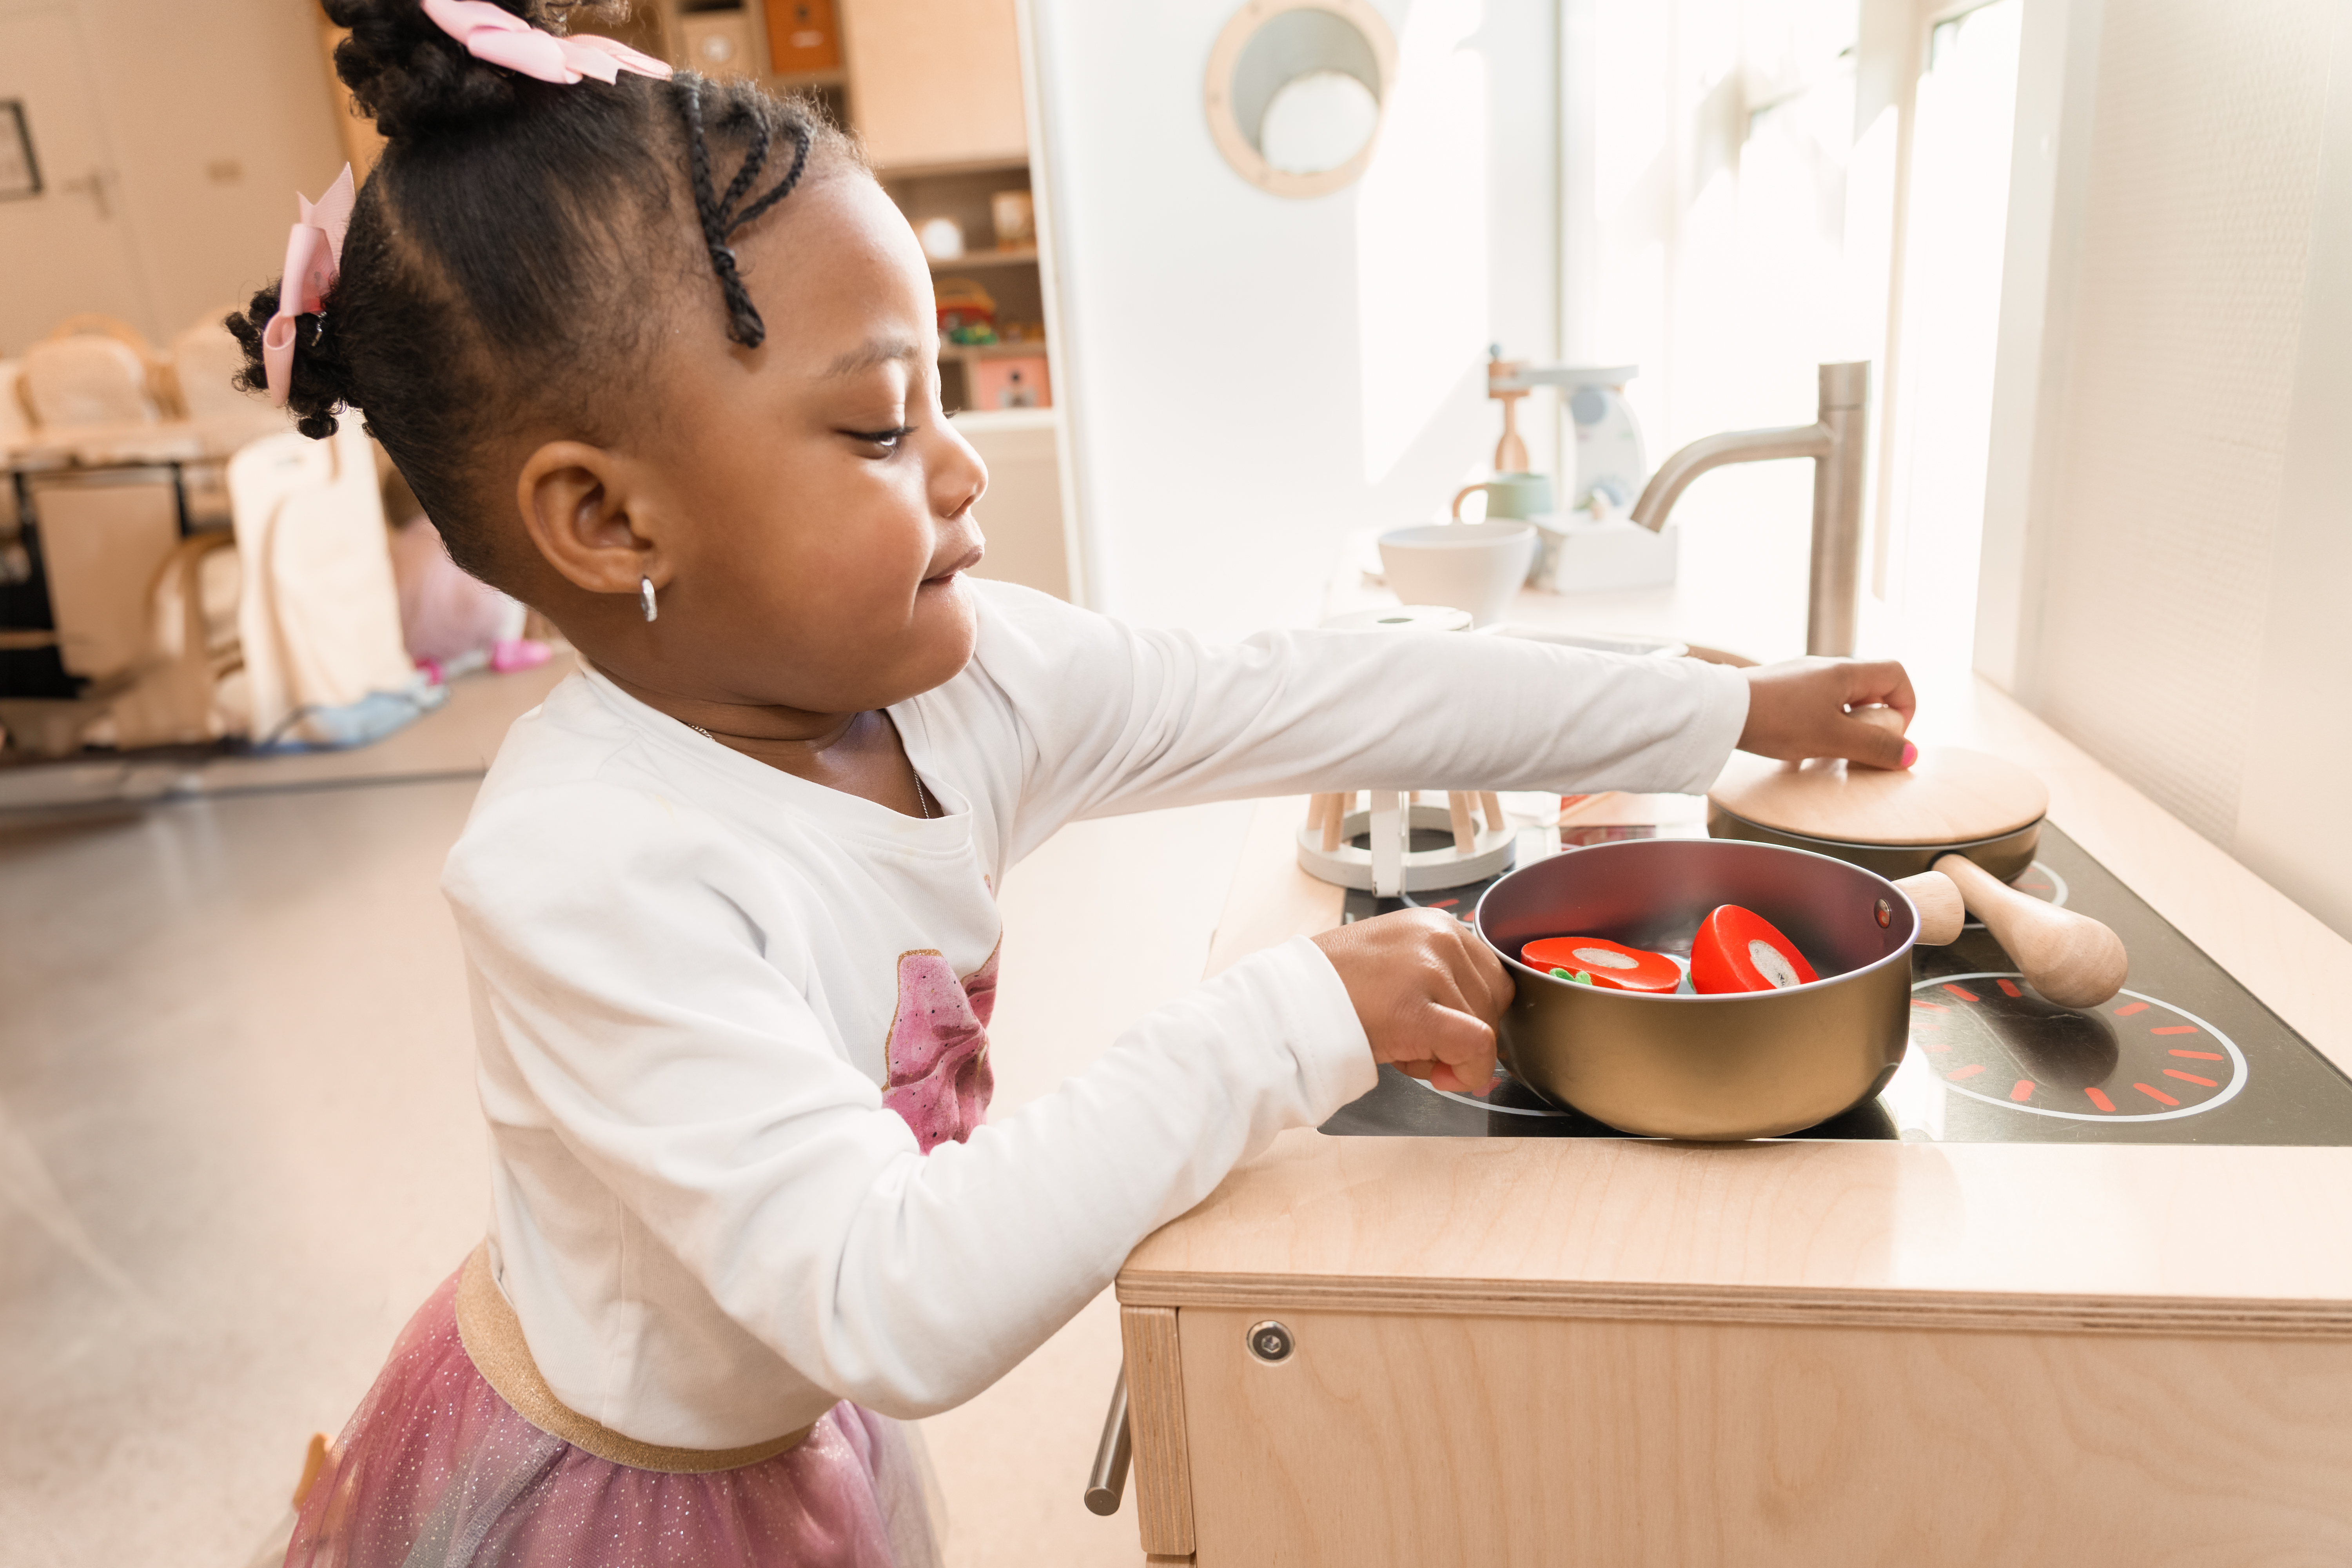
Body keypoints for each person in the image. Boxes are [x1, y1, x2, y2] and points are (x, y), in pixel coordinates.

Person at [233, 3, 1917, 1563]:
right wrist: (1287, 1016)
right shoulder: (587, 869)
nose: (961, 462)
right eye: (882, 424)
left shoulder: (961, 691)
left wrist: (1718, 714)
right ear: (609, 522)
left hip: (781, 1414)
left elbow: (1320, 686)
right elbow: (892, 1296)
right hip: (618, 1490)